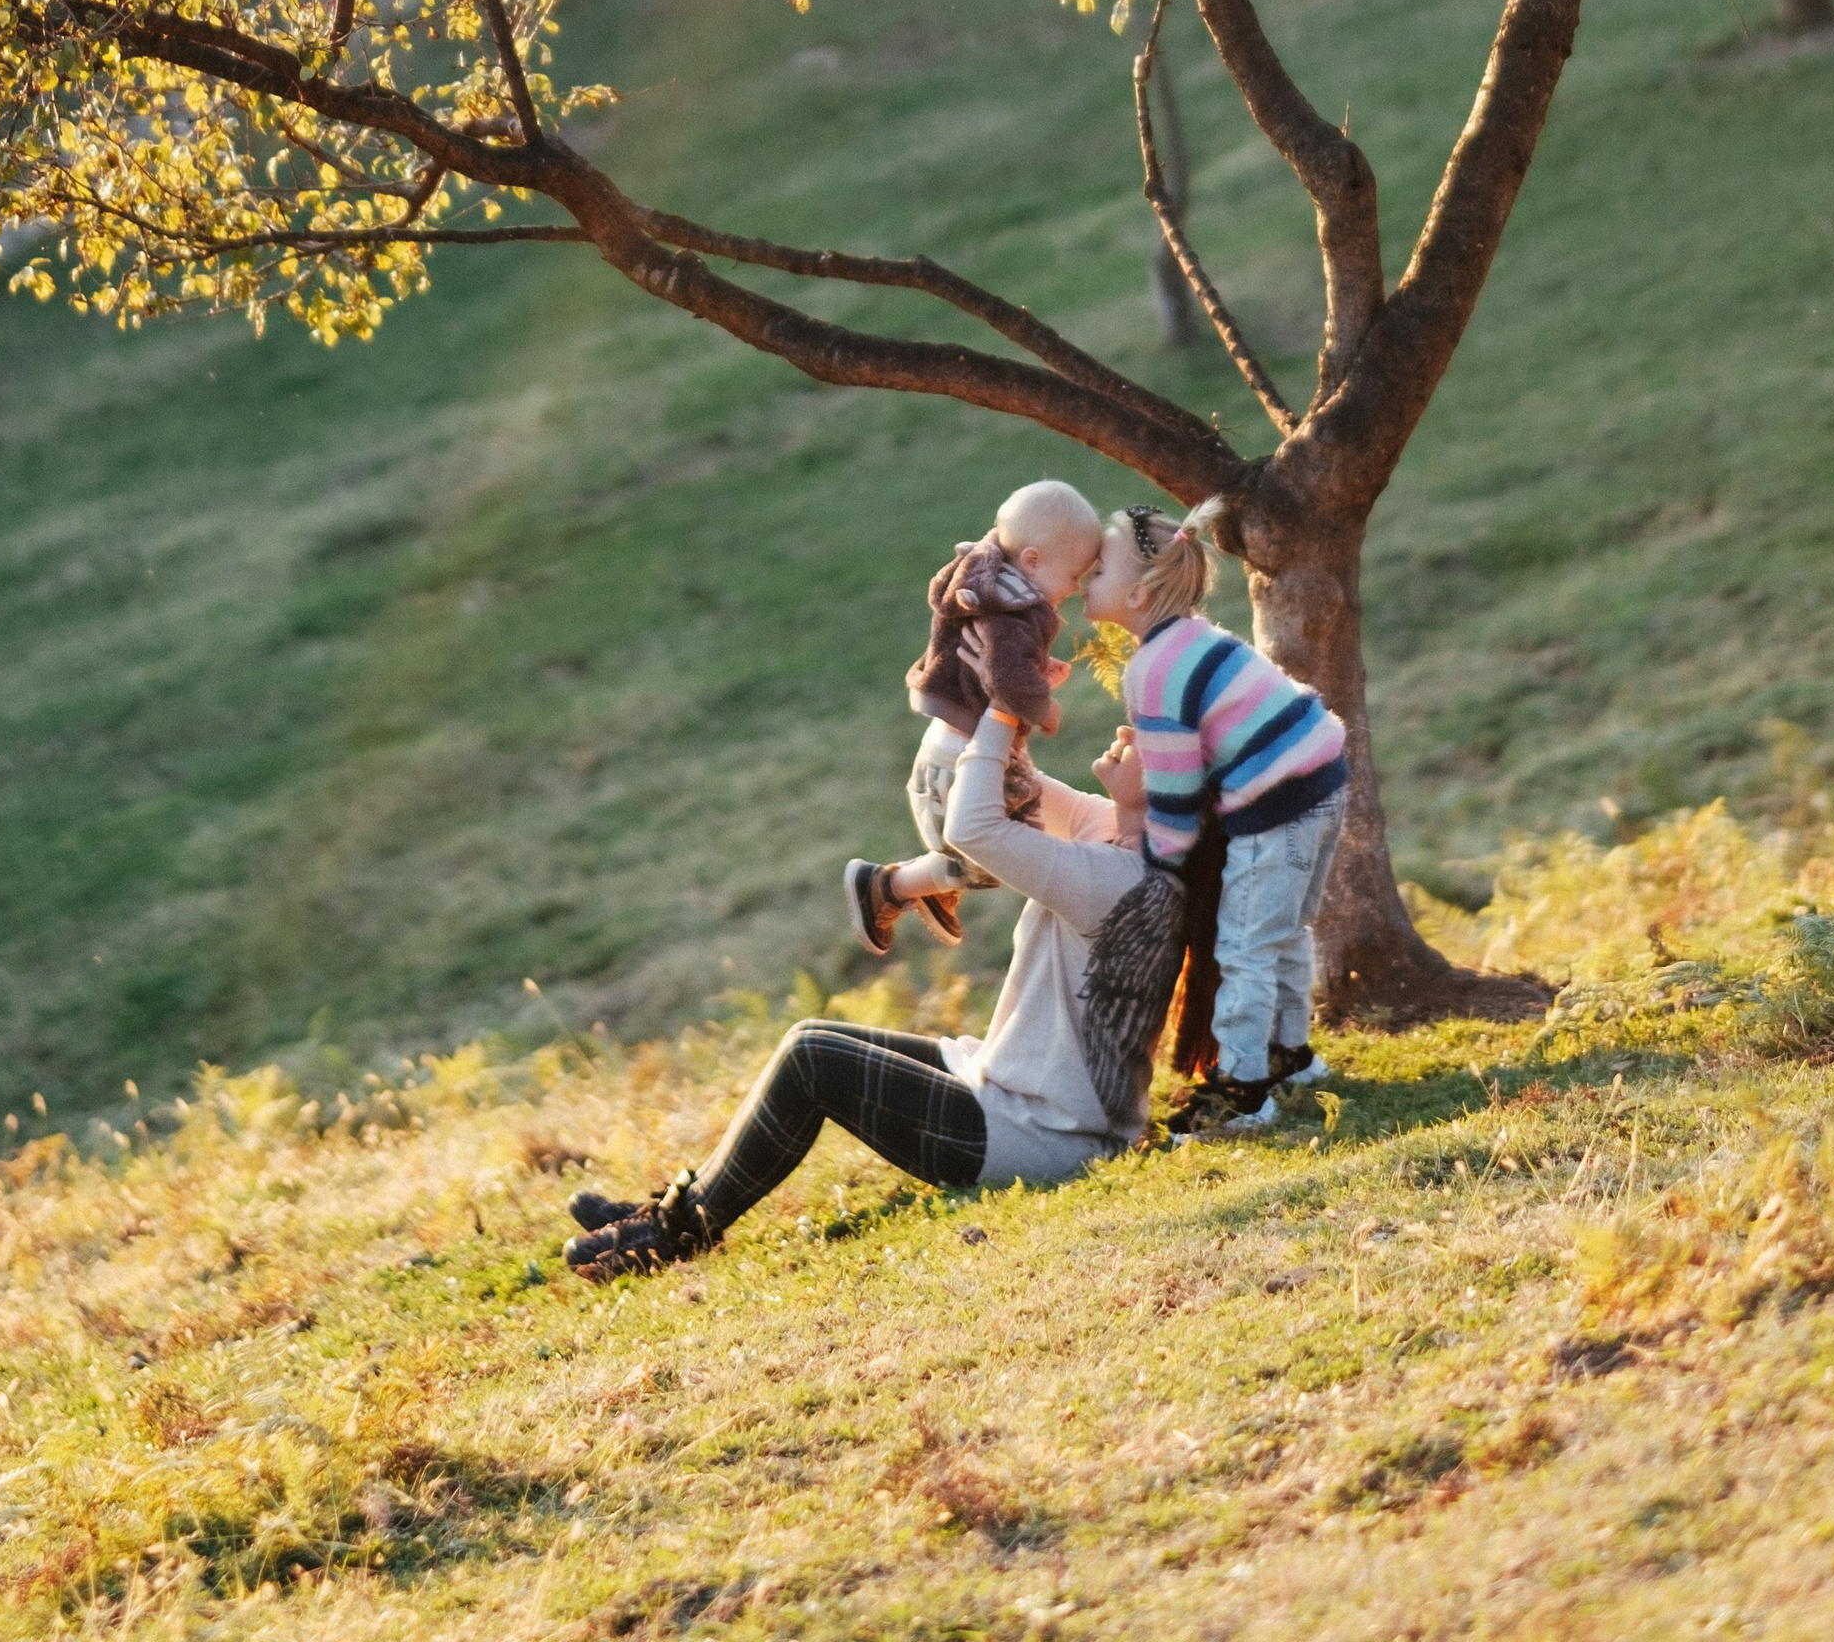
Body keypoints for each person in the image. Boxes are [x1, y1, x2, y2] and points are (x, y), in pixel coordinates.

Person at [564, 695, 1177, 1281]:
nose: (1124, 733)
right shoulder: (1115, 834)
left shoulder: (1126, 881)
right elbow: (1006, 793)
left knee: (813, 1064)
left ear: (1180, 779)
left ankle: (677, 1232)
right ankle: (681, 1205)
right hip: (1013, 1082)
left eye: (1146, 734)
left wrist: (1005, 709)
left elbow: (974, 828)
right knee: (810, 1035)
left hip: (1044, 1136)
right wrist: (994, 677)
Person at [1098, 500, 1348, 1134]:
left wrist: (1160, 861)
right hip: (1321, 781)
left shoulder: (1152, 671)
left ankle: (1241, 1090)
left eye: (1096, 569)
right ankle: (1289, 1055)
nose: (1082, 582)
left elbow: (1176, 795)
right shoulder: (1200, 638)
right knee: (1285, 930)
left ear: (1136, 592)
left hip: (1275, 806)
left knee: (1244, 945)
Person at [843, 475, 1105, 958]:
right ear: (1032, 561)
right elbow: (1004, 680)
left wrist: (1035, 670)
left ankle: (931, 882)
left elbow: (1001, 669)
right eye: (1073, 577)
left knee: (1008, 846)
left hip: (960, 744)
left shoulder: (993, 585)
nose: (1074, 589)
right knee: (997, 859)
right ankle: (888, 886)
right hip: (964, 755)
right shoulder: (1012, 612)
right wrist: (1043, 705)